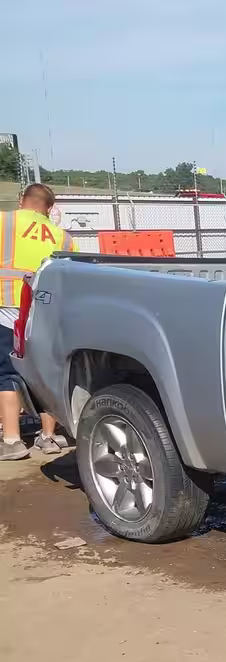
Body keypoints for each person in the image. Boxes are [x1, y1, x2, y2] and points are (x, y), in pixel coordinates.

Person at [0, 183, 75, 460]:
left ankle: (11, 441)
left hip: (7, 305)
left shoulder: (4, 222)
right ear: (50, 208)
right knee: (42, 374)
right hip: (45, 312)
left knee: (6, 372)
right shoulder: (63, 237)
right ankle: (48, 437)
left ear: (22, 200)